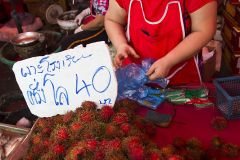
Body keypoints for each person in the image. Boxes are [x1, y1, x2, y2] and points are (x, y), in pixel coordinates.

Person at [105, 0, 217, 85]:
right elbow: (113, 20)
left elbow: (204, 30)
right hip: (132, 78)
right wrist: (120, 44)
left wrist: (169, 61)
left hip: (180, 79)